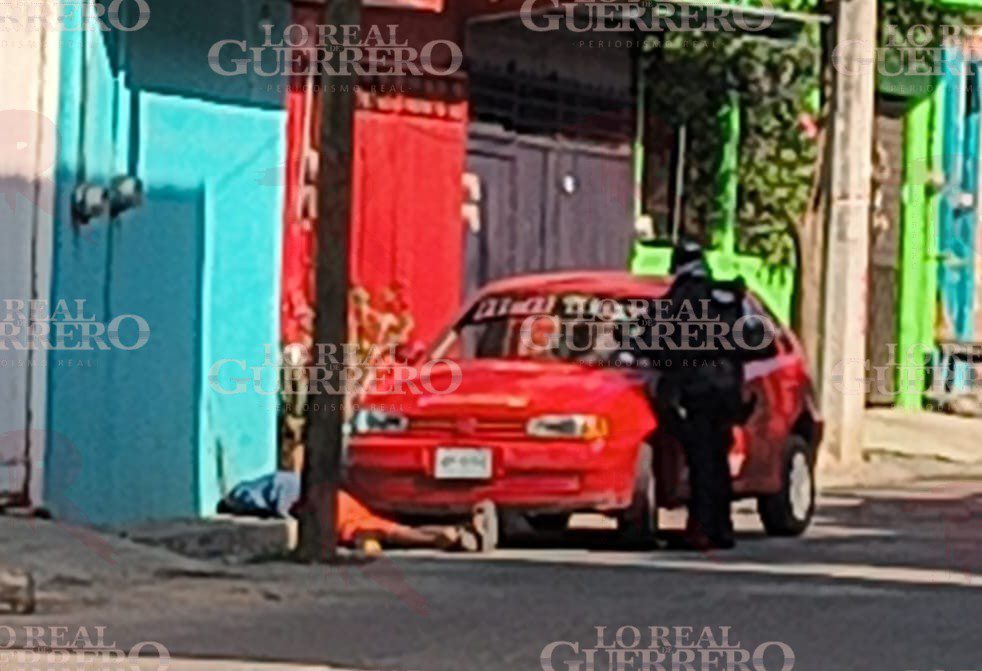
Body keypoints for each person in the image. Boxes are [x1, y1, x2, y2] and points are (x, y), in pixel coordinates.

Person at [640, 240, 774, 550]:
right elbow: (759, 341)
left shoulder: (678, 299)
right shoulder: (728, 297)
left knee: (701, 463)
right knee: (718, 460)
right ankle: (722, 529)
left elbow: (652, 345)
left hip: (695, 393)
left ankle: (700, 529)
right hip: (728, 391)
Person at [218, 472, 496, 553]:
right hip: (339, 500)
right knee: (385, 526)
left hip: (331, 514)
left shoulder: (252, 493)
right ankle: (459, 529)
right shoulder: (279, 480)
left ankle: (447, 536)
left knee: (387, 533)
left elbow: (285, 508)